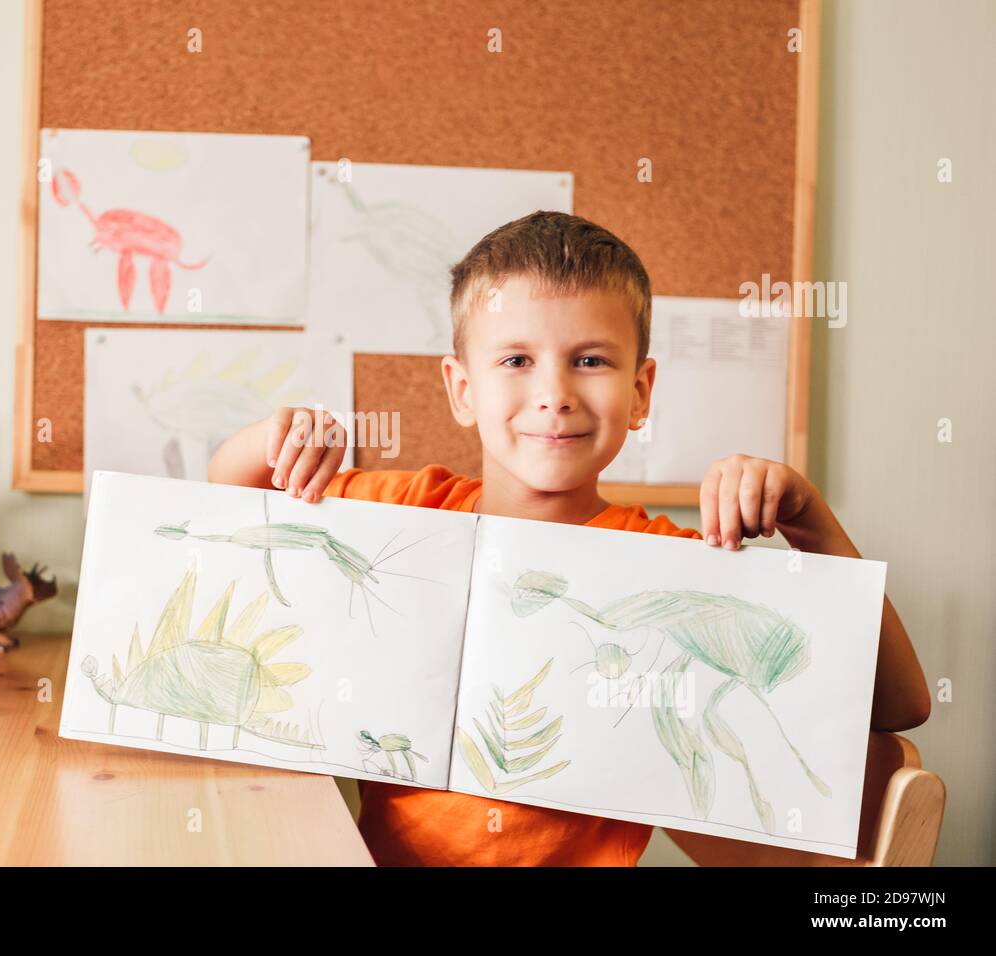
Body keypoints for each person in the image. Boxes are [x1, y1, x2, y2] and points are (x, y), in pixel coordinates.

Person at [207, 210, 930, 866]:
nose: (554, 392)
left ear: (640, 392)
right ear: (463, 390)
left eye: (590, 359)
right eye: (517, 360)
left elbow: (900, 709)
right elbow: (221, 510)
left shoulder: (671, 566)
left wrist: (810, 517)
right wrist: (274, 440)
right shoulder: (410, 512)